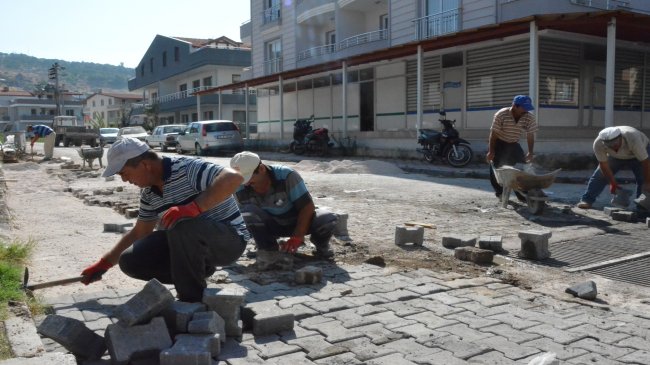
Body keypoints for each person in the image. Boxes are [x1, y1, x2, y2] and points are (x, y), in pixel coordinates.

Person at [80, 137, 250, 302]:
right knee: (131, 260)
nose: (124, 180)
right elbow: (140, 232)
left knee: (182, 226)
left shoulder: (187, 169)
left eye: (124, 173)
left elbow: (234, 177)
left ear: (145, 165)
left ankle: (192, 301)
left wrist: (194, 207)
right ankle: (194, 273)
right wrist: (104, 263)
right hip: (191, 245)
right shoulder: (149, 194)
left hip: (229, 241)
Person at [229, 151, 337, 258]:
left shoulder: (287, 176)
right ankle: (268, 250)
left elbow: (307, 207)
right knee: (247, 212)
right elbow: (240, 219)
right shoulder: (239, 186)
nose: (246, 183)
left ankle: (321, 246)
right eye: (242, 179)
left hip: (297, 222)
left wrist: (298, 236)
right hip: (271, 227)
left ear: (261, 169)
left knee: (327, 219)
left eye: (248, 178)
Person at [577, 126, 650, 209]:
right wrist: (612, 183)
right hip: (614, 156)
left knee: (643, 179)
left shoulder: (633, 138)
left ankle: (642, 208)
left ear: (620, 138)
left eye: (615, 144)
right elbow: (603, 165)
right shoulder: (598, 144)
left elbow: (646, 162)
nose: (613, 147)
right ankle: (587, 200)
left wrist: (647, 183)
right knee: (599, 176)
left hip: (640, 152)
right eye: (610, 145)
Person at [486, 95, 538, 201]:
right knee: (497, 170)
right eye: (524, 108)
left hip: (513, 144)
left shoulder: (528, 117)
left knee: (521, 168)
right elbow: (494, 134)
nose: (526, 111)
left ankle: (522, 194)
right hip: (499, 143)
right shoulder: (501, 114)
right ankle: (500, 193)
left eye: (528, 108)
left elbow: (530, 135)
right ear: (515, 106)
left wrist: (530, 152)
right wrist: (491, 151)